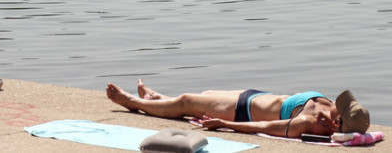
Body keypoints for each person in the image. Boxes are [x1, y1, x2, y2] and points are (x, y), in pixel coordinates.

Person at [106, 81, 369, 139]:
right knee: (203, 95)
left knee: (187, 102)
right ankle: (159, 98)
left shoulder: (310, 123)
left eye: (341, 108)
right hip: (255, 96)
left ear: (337, 123)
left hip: (243, 110)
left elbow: (266, 128)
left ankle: (134, 103)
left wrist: (225, 124)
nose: (337, 103)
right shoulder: (326, 108)